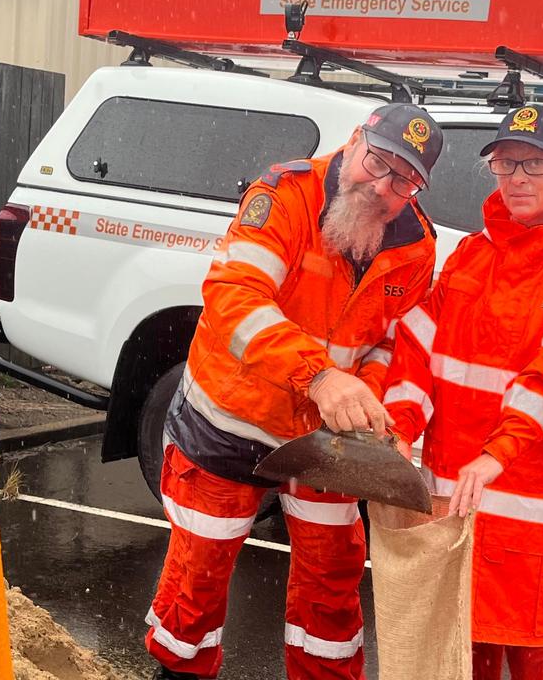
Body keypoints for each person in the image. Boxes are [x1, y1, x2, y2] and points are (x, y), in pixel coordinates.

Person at [145, 103, 443, 680]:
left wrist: (367, 401)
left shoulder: (416, 246)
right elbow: (236, 297)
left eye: (404, 179)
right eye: (377, 161)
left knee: (333, 580)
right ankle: (178, 673)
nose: (381, 186)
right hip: (230, 421)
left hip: (327, 439)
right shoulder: (286, 195)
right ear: (355, 140)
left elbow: (390, 341)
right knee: (198, 572)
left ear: (417, 190)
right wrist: (321, 376)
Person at [382, 105, 543, 680]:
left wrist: (496, 453)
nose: (517, 177)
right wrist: (398, 429)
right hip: (463, 520)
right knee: (456, 664)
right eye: (504, 164)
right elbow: (418, 348)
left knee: (541, 666)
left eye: (535, 163)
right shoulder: (474, 255)